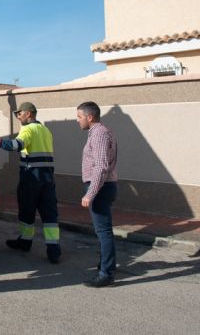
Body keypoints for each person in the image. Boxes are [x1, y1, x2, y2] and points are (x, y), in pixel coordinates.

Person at [0, 102, 61, 263]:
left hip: (31, 178)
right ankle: (54, 251)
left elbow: (16, 145)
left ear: (28, 114)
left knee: (26, 211)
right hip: (47, 179)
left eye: (19, 113)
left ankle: (25, 242)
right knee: (50, 214)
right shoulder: (45, 130)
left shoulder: (28, 129)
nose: (17, 116)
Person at [76, 101, 118, 288]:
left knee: (103, 231)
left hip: (100, 188)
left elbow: (101, 167)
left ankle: (106, 274)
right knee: (104, 230)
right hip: (104, 186)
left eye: (79, 117)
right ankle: (106, 266)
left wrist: (90, 194)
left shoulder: (100, 134)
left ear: (90, 117)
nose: (77, 120)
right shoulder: (100, 132)